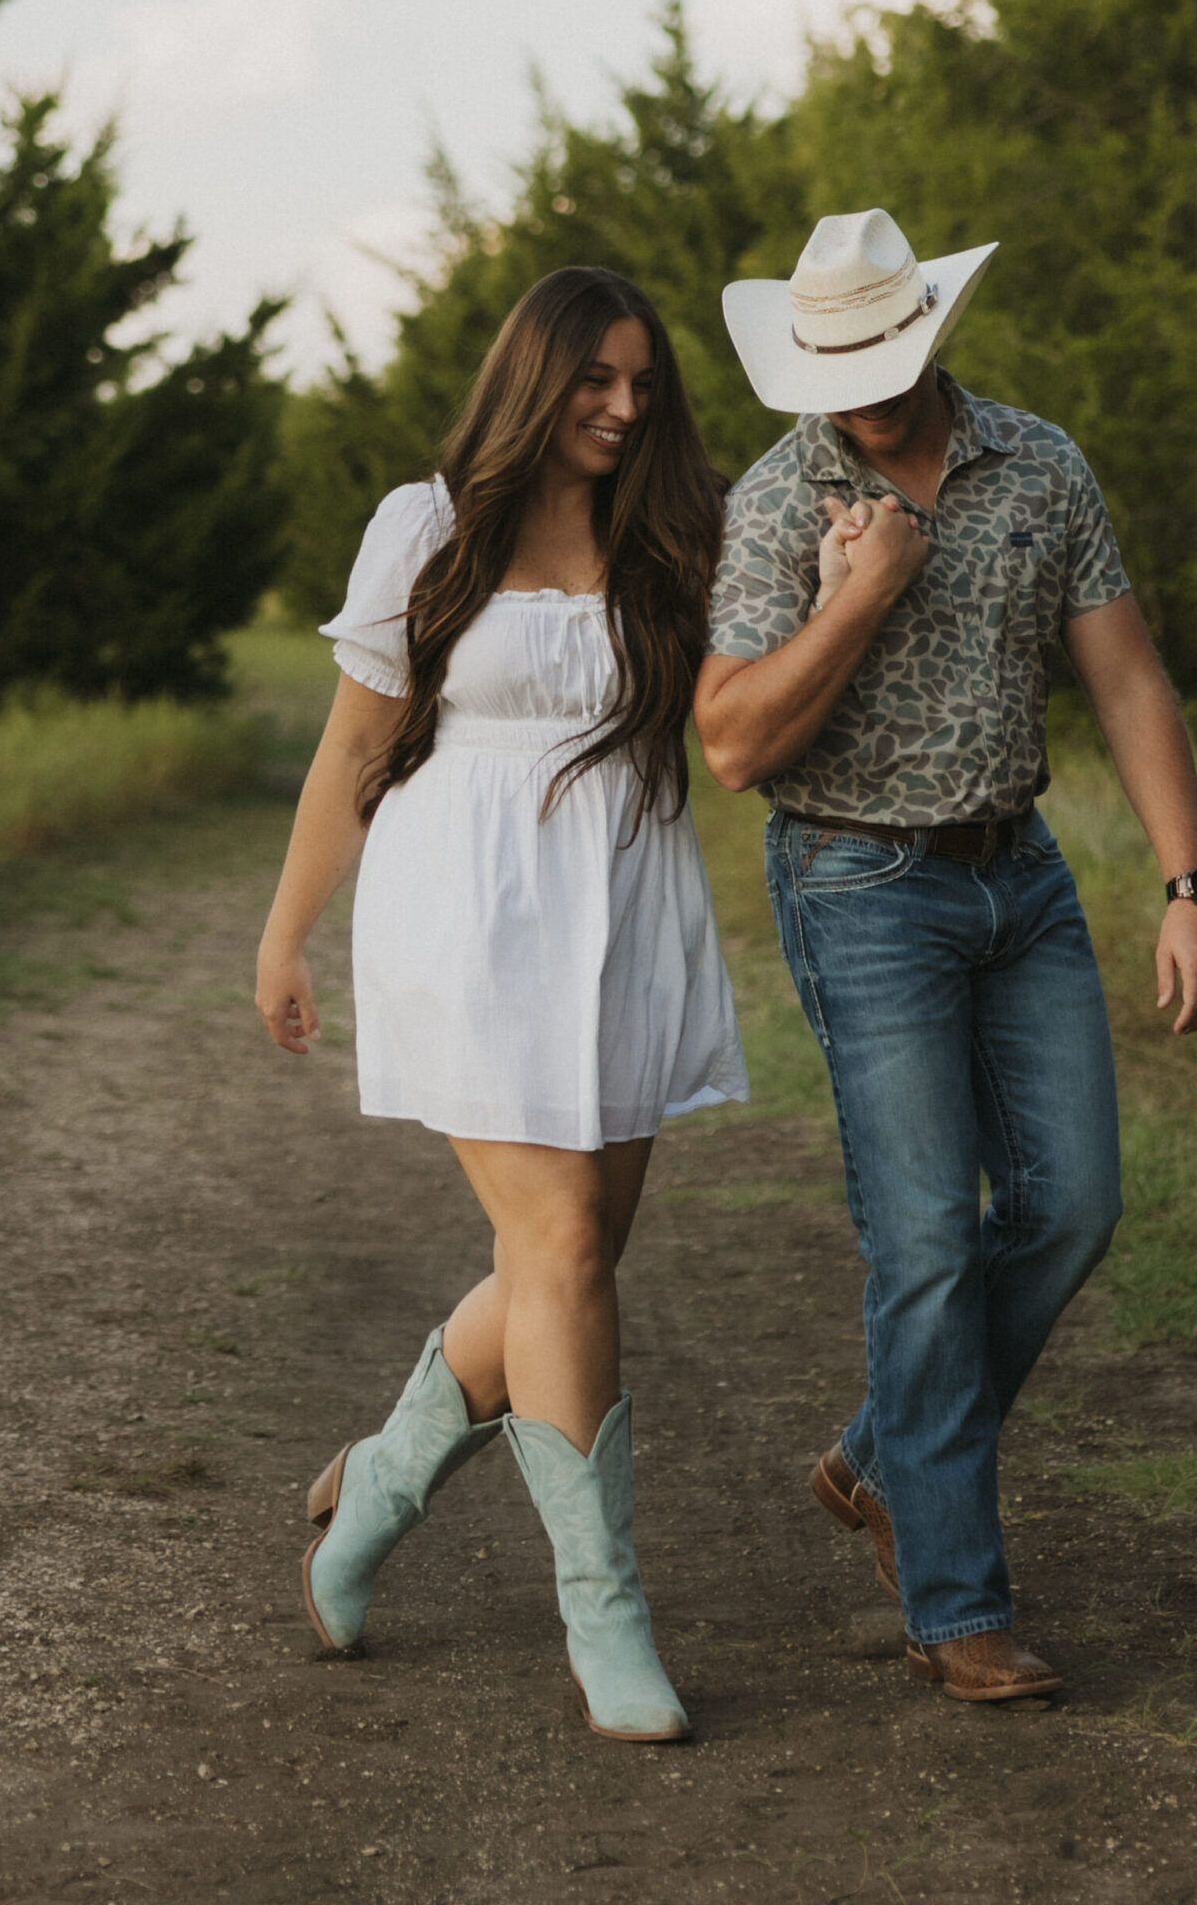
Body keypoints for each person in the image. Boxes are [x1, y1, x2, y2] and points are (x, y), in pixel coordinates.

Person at [694, 207, 1197, 1705]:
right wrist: (858, 594)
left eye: (883, 354)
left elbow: (1126, 678)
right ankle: (956, 1604)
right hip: (860, 886)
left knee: (1071, 1208)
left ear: (930, 336)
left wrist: (1189, 883)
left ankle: (883, 1457)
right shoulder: (774, 502)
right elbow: (731, 742)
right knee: (926, 1238)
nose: (860, 389)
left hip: (1024, 880)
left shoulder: (1039, 463)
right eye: (835, 364)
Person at [255, 266, 749, 1743]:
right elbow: (356, 750)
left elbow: (751, 701)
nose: (620, 407)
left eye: (642, 384)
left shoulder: (677, 526)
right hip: (464, 915)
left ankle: (371, 1498)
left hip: (626, 911)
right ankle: (606, 1617)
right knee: (564, 1249)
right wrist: (287, 934)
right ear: (531, 378)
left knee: (563, 1264)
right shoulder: (428, 526)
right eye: (596, 380)